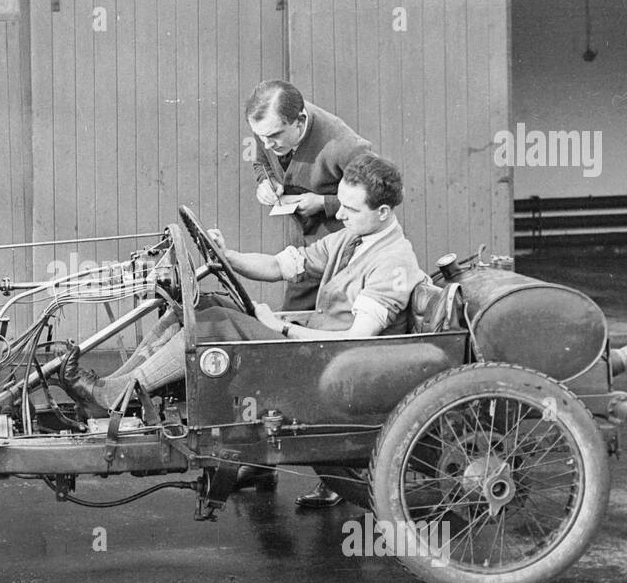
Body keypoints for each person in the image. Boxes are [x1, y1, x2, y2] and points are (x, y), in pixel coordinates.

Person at [61, 154, 424, 508]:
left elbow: (355, 345)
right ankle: (110, 391)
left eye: (350, 209)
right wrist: (227, 256)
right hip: (311, 352)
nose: (339, 213)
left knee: (214, 325)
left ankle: (111, 396)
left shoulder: (392, 261)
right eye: (340, 204)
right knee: (199, 306)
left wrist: (279, 327)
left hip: (328, 370)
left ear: (383, 212)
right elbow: (280, 265)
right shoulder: (351, 238)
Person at [247, 80, 371, 313]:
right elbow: (258, 159)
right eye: (260, 136)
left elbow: (380, 195)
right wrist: (265, 180)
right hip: (307, 247)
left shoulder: (343, 144)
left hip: (344, 247)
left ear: (300, 120)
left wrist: (324, 203)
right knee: (292, 313)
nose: (266, 143)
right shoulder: (266, 127)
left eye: (274, 136)